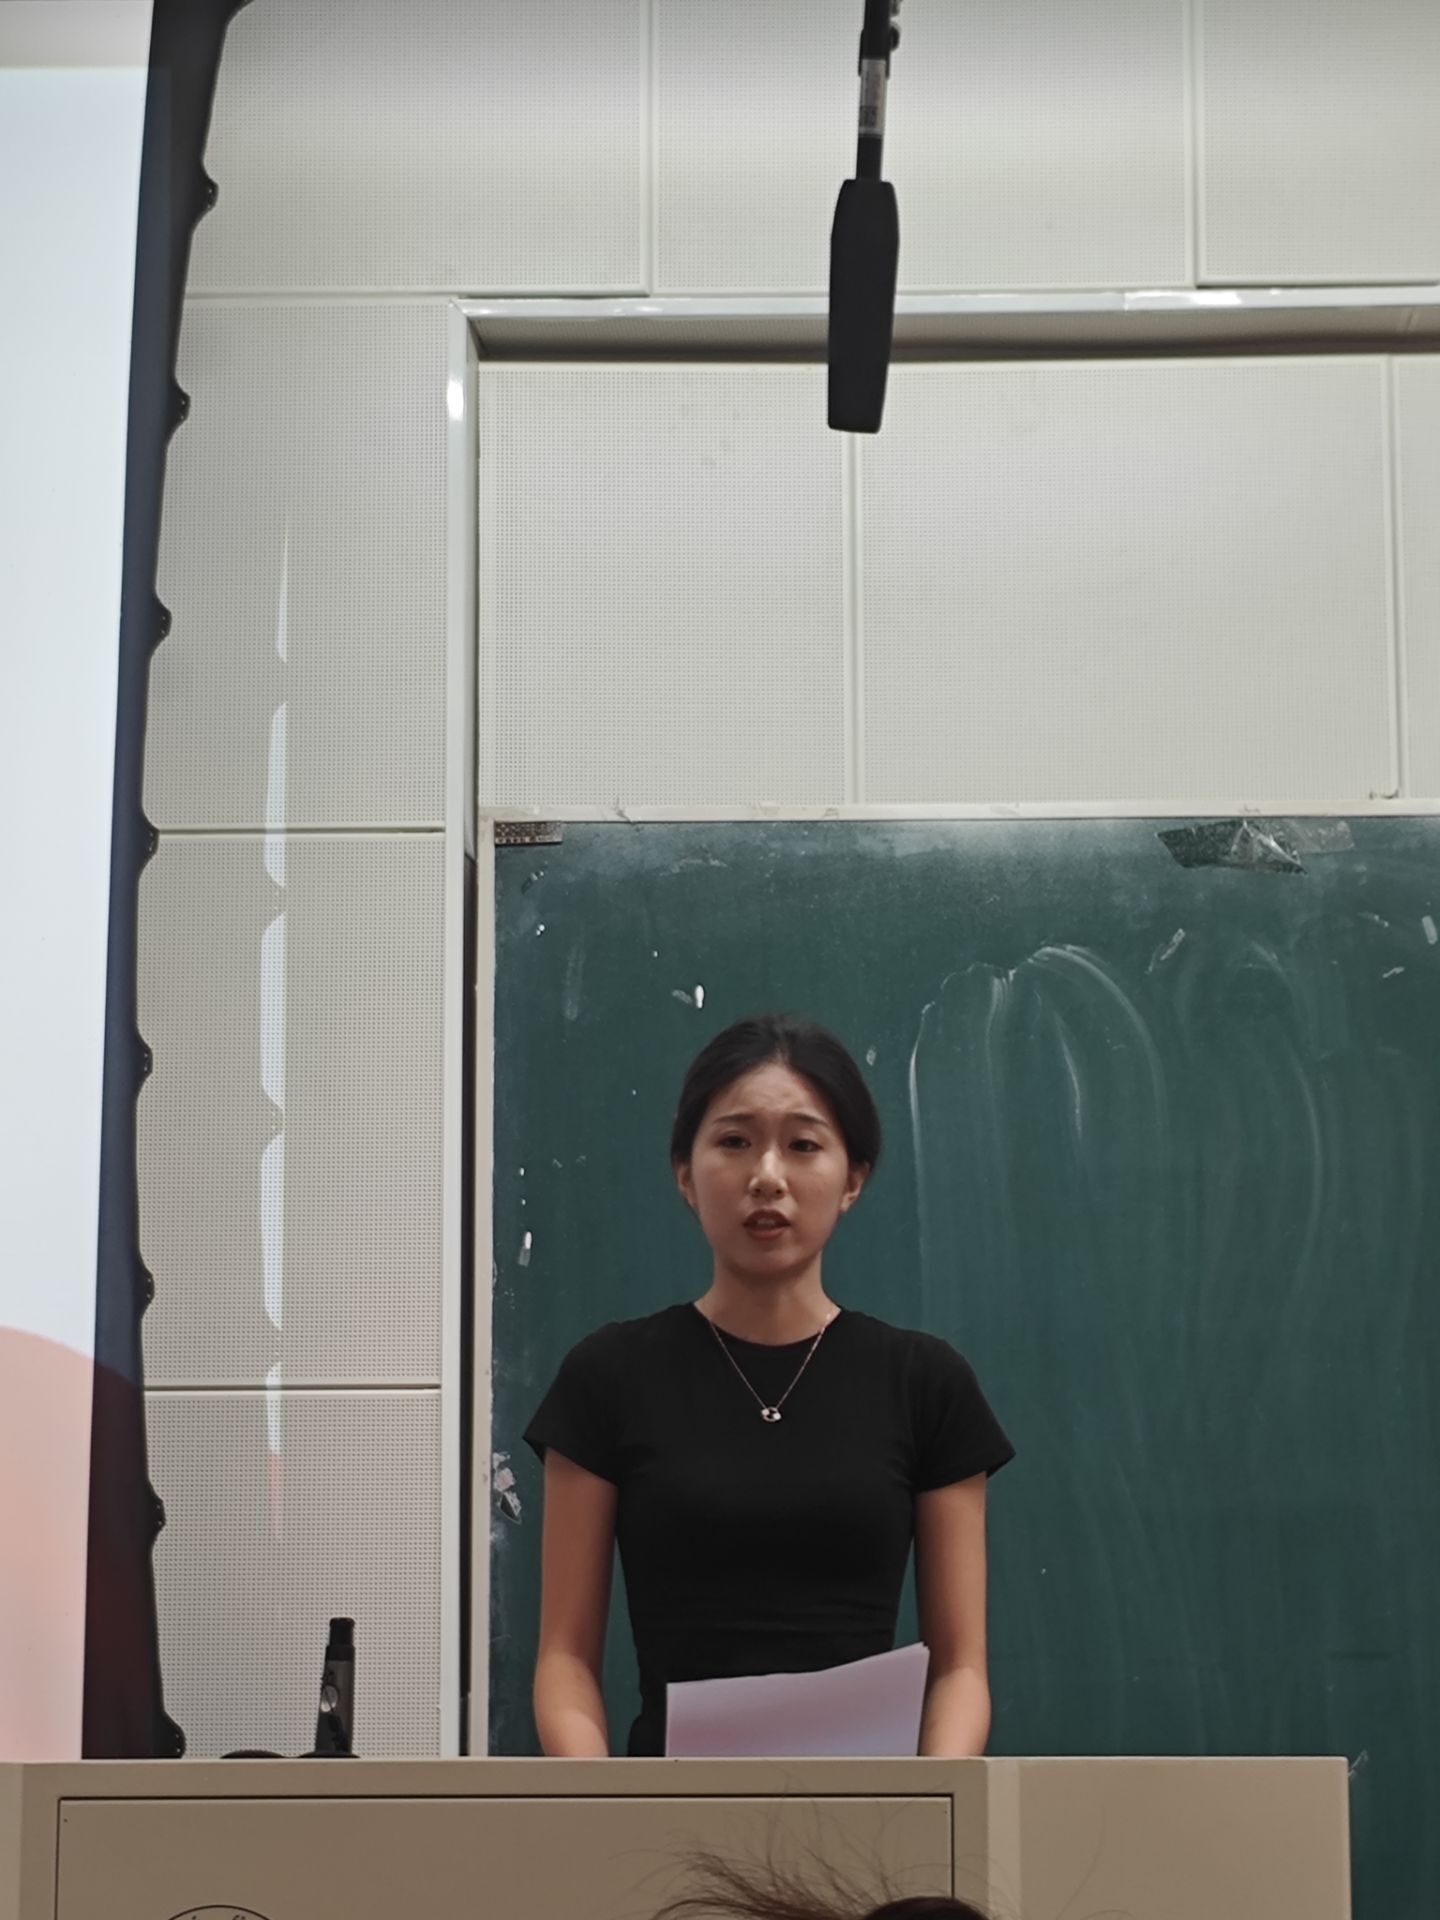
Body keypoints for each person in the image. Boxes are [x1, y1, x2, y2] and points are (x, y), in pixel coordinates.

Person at [524, 1014, 1015, 1759]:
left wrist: (930, 1797)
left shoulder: (926, 1384)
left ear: (853, 1179)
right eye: (734, 1141)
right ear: (685, 1175)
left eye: (804, 1145)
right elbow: (564, 1660)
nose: (767, 1177)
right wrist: (603, 1804)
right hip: (663, 1810)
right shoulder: (608, 1377)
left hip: (870, 1812)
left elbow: (961, 1670)